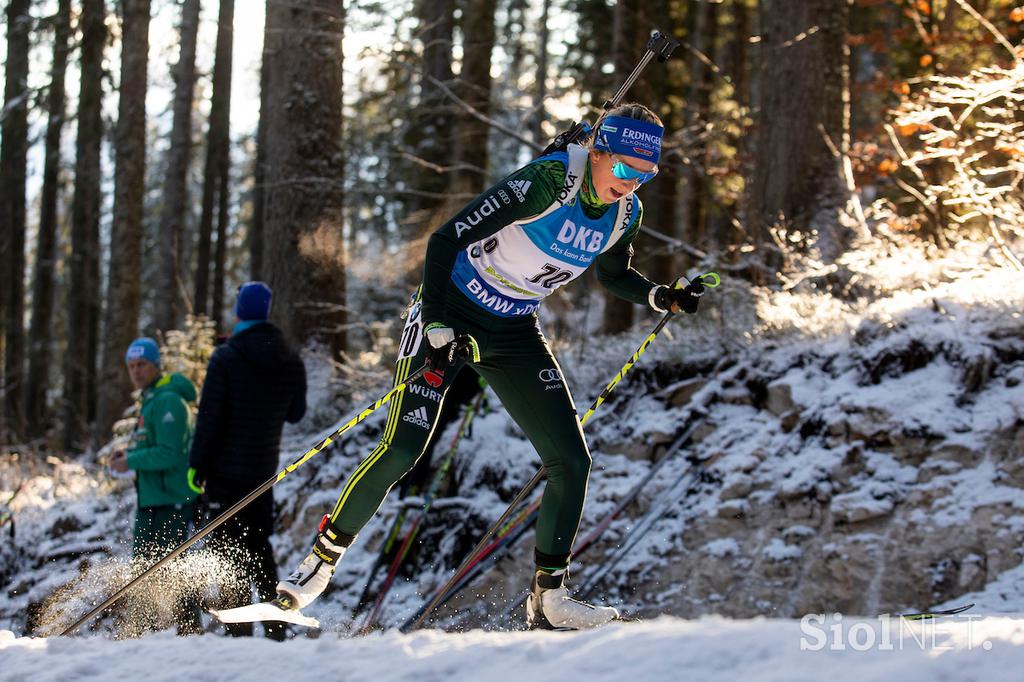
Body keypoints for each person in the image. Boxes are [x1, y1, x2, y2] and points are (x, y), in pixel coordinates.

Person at [276, 103, 704, 630]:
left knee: (571, 461)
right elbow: (445, 239)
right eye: (622, 169)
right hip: (450, 310)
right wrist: (434, 321)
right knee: (405, 448)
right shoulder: (547, 182)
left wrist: (660, 295)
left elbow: (614, 276)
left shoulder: (624, 214)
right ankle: (318, 563)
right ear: (596, 150)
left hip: (512, 327)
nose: (630, 184)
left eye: (645, 176)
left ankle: (549, 600)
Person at [189, 282, 307, 639]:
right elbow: (296, 414)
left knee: (228, 550)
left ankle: (238, 630)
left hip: (224, 473)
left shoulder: (226, 357)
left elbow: (209, 418)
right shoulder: (290, 359)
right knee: (259, 545)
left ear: (240, 310)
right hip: (263, 473)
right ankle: (276, 627)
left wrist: (196, 466)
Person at [109, 337, 202, 635]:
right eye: (131, 366)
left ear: (155, 365)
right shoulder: (150, 399)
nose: (136, 371)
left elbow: (169, 452)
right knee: (144, 571)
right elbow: (153, 444)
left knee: (172, 569)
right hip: (151, 499)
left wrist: (132, 460)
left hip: (170, 500)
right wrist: (128, 456)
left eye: (142, 365)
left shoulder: (168, 401)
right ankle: (143, 632)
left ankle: (190, 633)